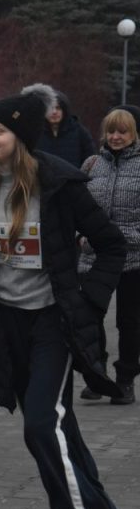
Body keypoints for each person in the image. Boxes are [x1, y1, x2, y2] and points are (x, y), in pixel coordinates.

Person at [0, 86, 132, 509]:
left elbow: (111, 245)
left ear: (22, 136)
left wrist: (89, 303)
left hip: (53, 321)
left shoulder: (59, 184)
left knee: (41, 425)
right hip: (6, 322)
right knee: (58, 429)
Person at [78, 105, 140, 405]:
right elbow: (75, 206)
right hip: (94, 256)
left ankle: (126, 379)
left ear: (134, 134)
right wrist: (79, 236)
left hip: (133, 258)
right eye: (111, 131)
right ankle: (96, 374)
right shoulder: (91, 165)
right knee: (90, 317)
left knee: (129, 322)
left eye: (122, 131)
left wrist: (128, 237)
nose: (116, 137)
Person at [36, 88, 96, 168]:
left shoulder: (79, 132)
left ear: (64, 110)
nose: (54, 112)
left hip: (73, 175)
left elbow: (91, 161)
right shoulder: (35, 132)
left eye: (58, 108)